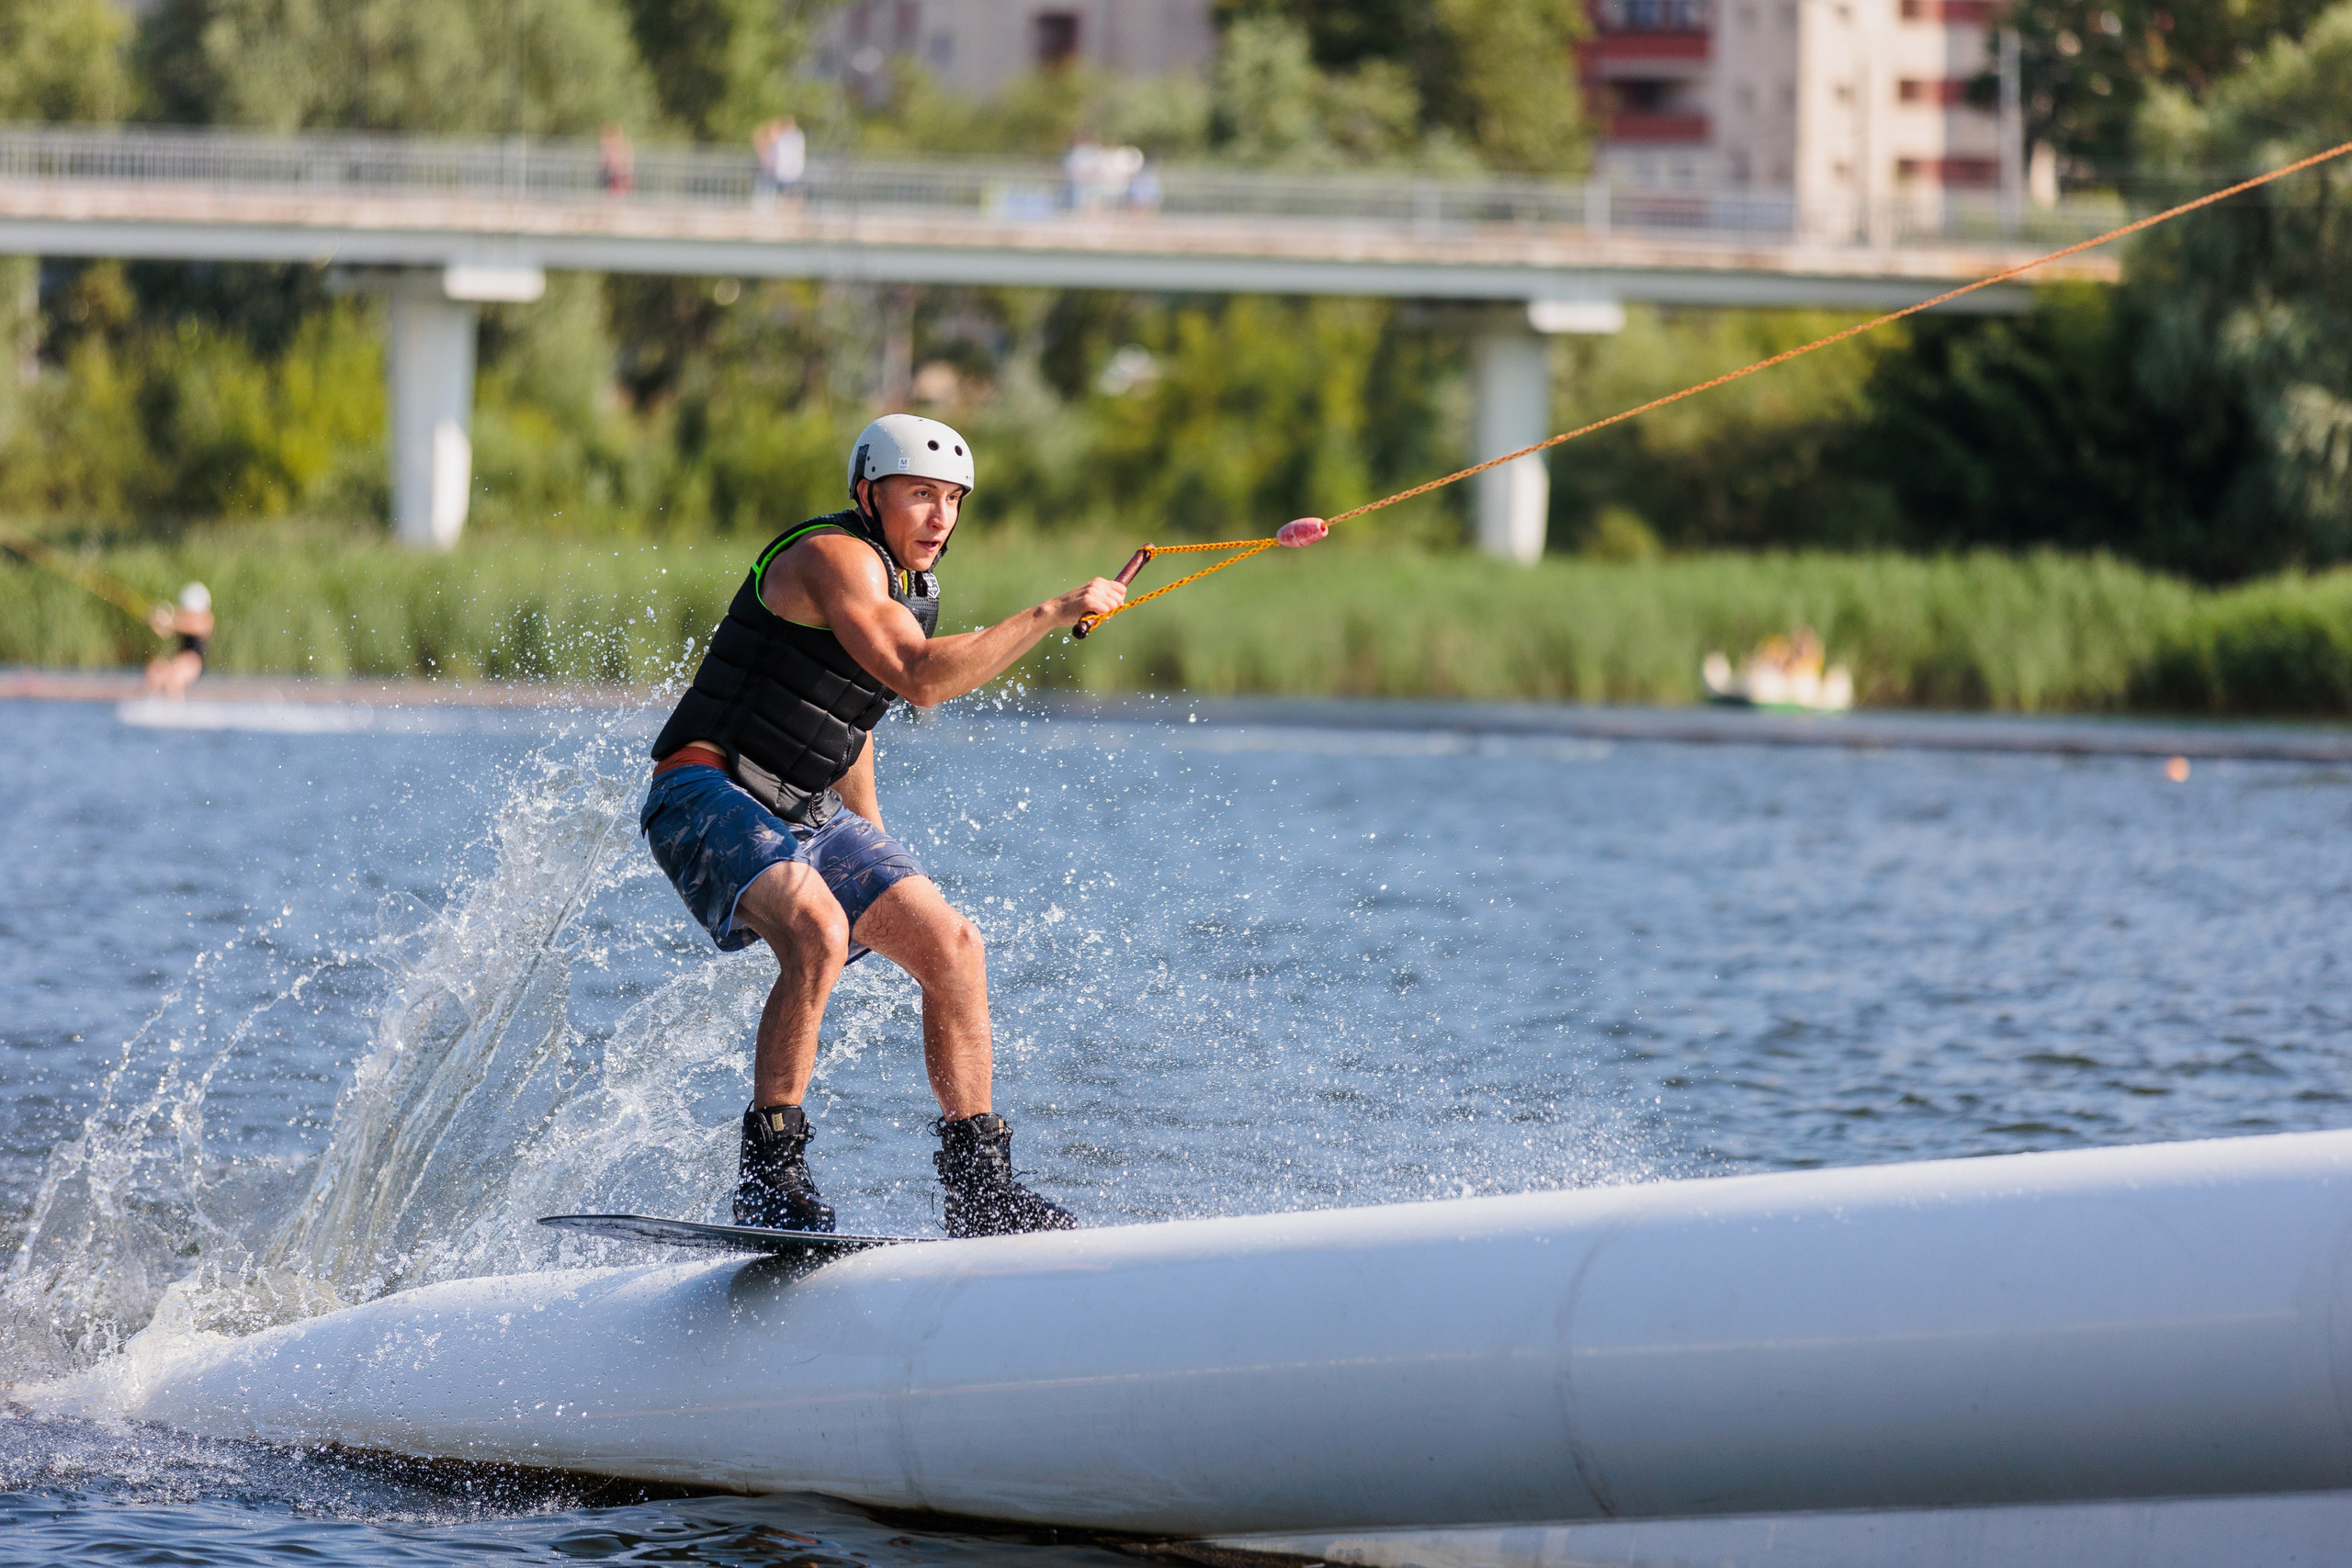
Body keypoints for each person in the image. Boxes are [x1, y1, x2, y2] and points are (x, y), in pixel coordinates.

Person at [640, 416, 1126, 1238]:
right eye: (920, 495)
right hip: (702, 790)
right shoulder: (834, 558)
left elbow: (851, 717)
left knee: (953, 946)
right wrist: (1052, 610)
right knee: (819, 930)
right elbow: (916, 678)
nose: (940, 517)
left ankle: (980, 1188)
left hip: (807, 807)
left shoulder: (912, 589)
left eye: (953, 500)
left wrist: (872, 844)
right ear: (869, 494)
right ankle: (769, 1177)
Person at [143, 581, 213, 699]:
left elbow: (192, 627)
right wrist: (157, 621)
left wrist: (169, 622)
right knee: (156, 668)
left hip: (194, 663)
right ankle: (148, 701)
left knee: (176, 673)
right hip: (179, 659)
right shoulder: (180, 617)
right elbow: (164, 633)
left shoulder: (206, 619)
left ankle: (175, 705)